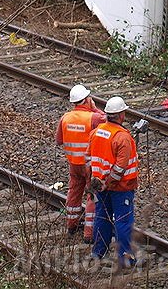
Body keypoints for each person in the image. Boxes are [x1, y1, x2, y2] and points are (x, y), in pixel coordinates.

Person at [88, 96, 139, 268]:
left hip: (100, 184)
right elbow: (120, 167)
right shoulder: (122, 137)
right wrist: (109, 183)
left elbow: (90, 158)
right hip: (121, 187)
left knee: (102, 217)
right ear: (121, 115)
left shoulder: (96, 132)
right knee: (123, 222)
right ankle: (125, 258)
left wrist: (98, 182)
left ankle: (97, 253)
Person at [55, 84, 105, 241]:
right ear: (86, 100)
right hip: (89, 165)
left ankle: (71, 224)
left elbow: (59, 141)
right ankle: (89, 233)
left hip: (73, 164)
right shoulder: (94, 118)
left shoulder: (65, 118)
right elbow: (110, 120)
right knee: (92, 195)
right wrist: (95, 109)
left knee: (74, 192)